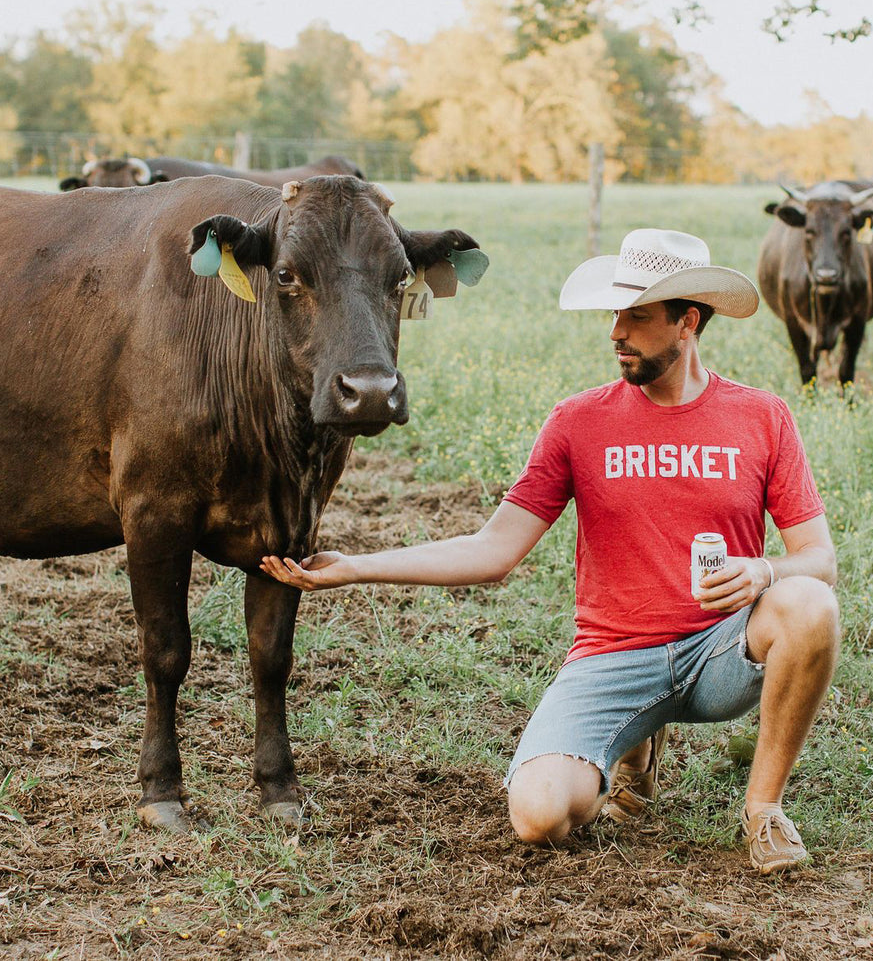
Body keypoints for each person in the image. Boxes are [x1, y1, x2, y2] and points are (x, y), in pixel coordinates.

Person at [261, 228, 839, 875]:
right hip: (616, 657)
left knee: (809, 603)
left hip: (722, 651)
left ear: (688, 323)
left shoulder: (762, 417)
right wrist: (357, 567)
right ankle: (634, 751)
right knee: (538, 817)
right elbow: (494, 549)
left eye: (638, 317)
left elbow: (819, 558)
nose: (616, 332)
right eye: (614, 314)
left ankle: (764, 810)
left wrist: (763, 569)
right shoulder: (579, 421)